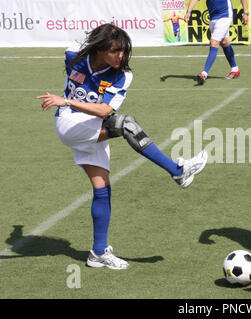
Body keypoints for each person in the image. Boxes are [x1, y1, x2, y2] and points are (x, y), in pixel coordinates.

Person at [37, 23, 208, 270]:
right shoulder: (74, 53)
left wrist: (66, 98)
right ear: (100, 49)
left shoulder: (123, 74)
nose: (121, 56)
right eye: (115, 51)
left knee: (102, 188)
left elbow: (105, 110)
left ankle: (97, 253)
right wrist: (66, 101)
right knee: (126, 124)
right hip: (69, 123)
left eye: (124, 50)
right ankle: (177, 171)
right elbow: (74, 65)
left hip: (92, 123)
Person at [184, 0, 249, 85]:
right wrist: (188, 12)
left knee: (214, 42)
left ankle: (204, 73)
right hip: (213, 17)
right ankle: (235, 69)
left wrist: (245, 12)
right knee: (224, 42)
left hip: (225, 14)